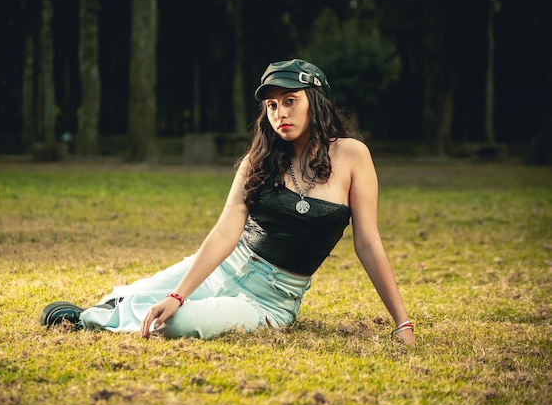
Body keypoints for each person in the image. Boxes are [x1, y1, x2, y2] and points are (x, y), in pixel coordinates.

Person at [40, 59, 415, 346]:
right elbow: (225, 231)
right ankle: (94, 314)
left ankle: (98, 317)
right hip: (227, 265)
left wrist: (402, 323)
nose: (279, 113)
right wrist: (177, 293)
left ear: (314, 102)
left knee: (173, 323)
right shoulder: (260, 159)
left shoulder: (352, 156)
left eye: (289, 101)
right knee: (148, 294)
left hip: (270, 299)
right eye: (271, 105)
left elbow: (367, 242)